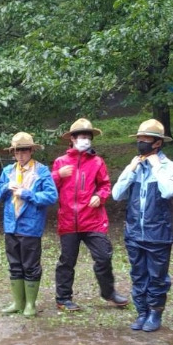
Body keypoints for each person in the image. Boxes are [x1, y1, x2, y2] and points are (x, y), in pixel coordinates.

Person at [51, 117, 129, 312]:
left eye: (88, 137)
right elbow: (49, 189)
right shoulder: (61, 162)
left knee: (103, 256)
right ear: (72, 139)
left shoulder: (97, 162)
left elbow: (105, 185)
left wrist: (100, 197)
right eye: (81, 136)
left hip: (93, 220)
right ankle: (63, 298)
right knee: (67, 261)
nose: (84, 140)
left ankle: (108, 292)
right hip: (68, 220)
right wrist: (58, 175)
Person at [111, 119, 173, 332]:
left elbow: (170, 190)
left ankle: (155, 313)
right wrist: (131, 170)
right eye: (139, 138)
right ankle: (141, 312)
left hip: (158, 233)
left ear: (157, 142)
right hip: (134, 232)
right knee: (138, 275)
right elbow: (116, 195)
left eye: (145, 139)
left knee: (157, 277)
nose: (141, 142)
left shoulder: (168, 166)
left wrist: (156, 167)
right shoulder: (135, 166)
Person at [0, 132, 59, 317]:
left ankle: (30, 304)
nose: (20, 155)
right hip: (10, 225)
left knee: (30, 265)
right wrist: (6, 188)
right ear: (13, 153)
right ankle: (17, 302)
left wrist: (26, 194)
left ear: (31, 151)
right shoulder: (8, 171)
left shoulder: (41, 171)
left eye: (24, 150)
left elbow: (51, 196)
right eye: (16, 151)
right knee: (14, 264)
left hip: (31, 226)